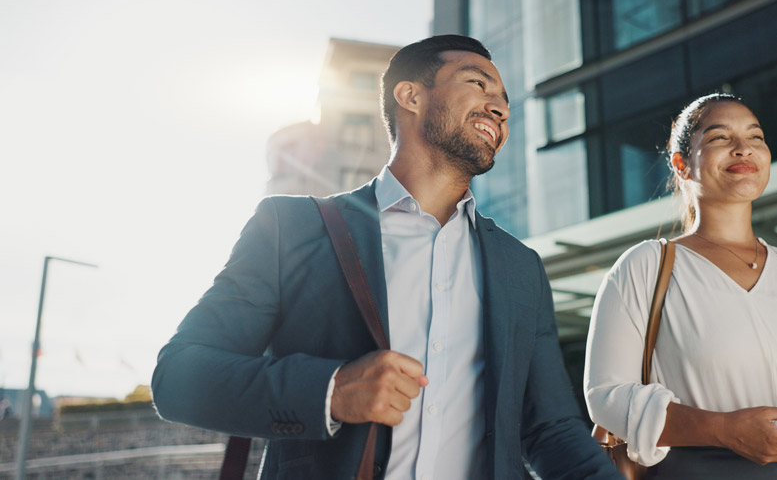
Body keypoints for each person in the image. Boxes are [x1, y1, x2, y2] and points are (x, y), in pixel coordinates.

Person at [152, 35, 621, 480]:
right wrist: (331, 391)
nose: (499, 108)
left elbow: (550, 429)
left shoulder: (520, 266)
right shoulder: (290, 228)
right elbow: (179, 377)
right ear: (410, 96)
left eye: (504, 102)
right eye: (477, 83)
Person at [583, 93, 777, 479]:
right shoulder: (646, 265)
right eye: (720, 138)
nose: (744, 148)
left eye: (755, 137)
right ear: (681, 165)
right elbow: (606, 397)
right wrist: (723, 430)